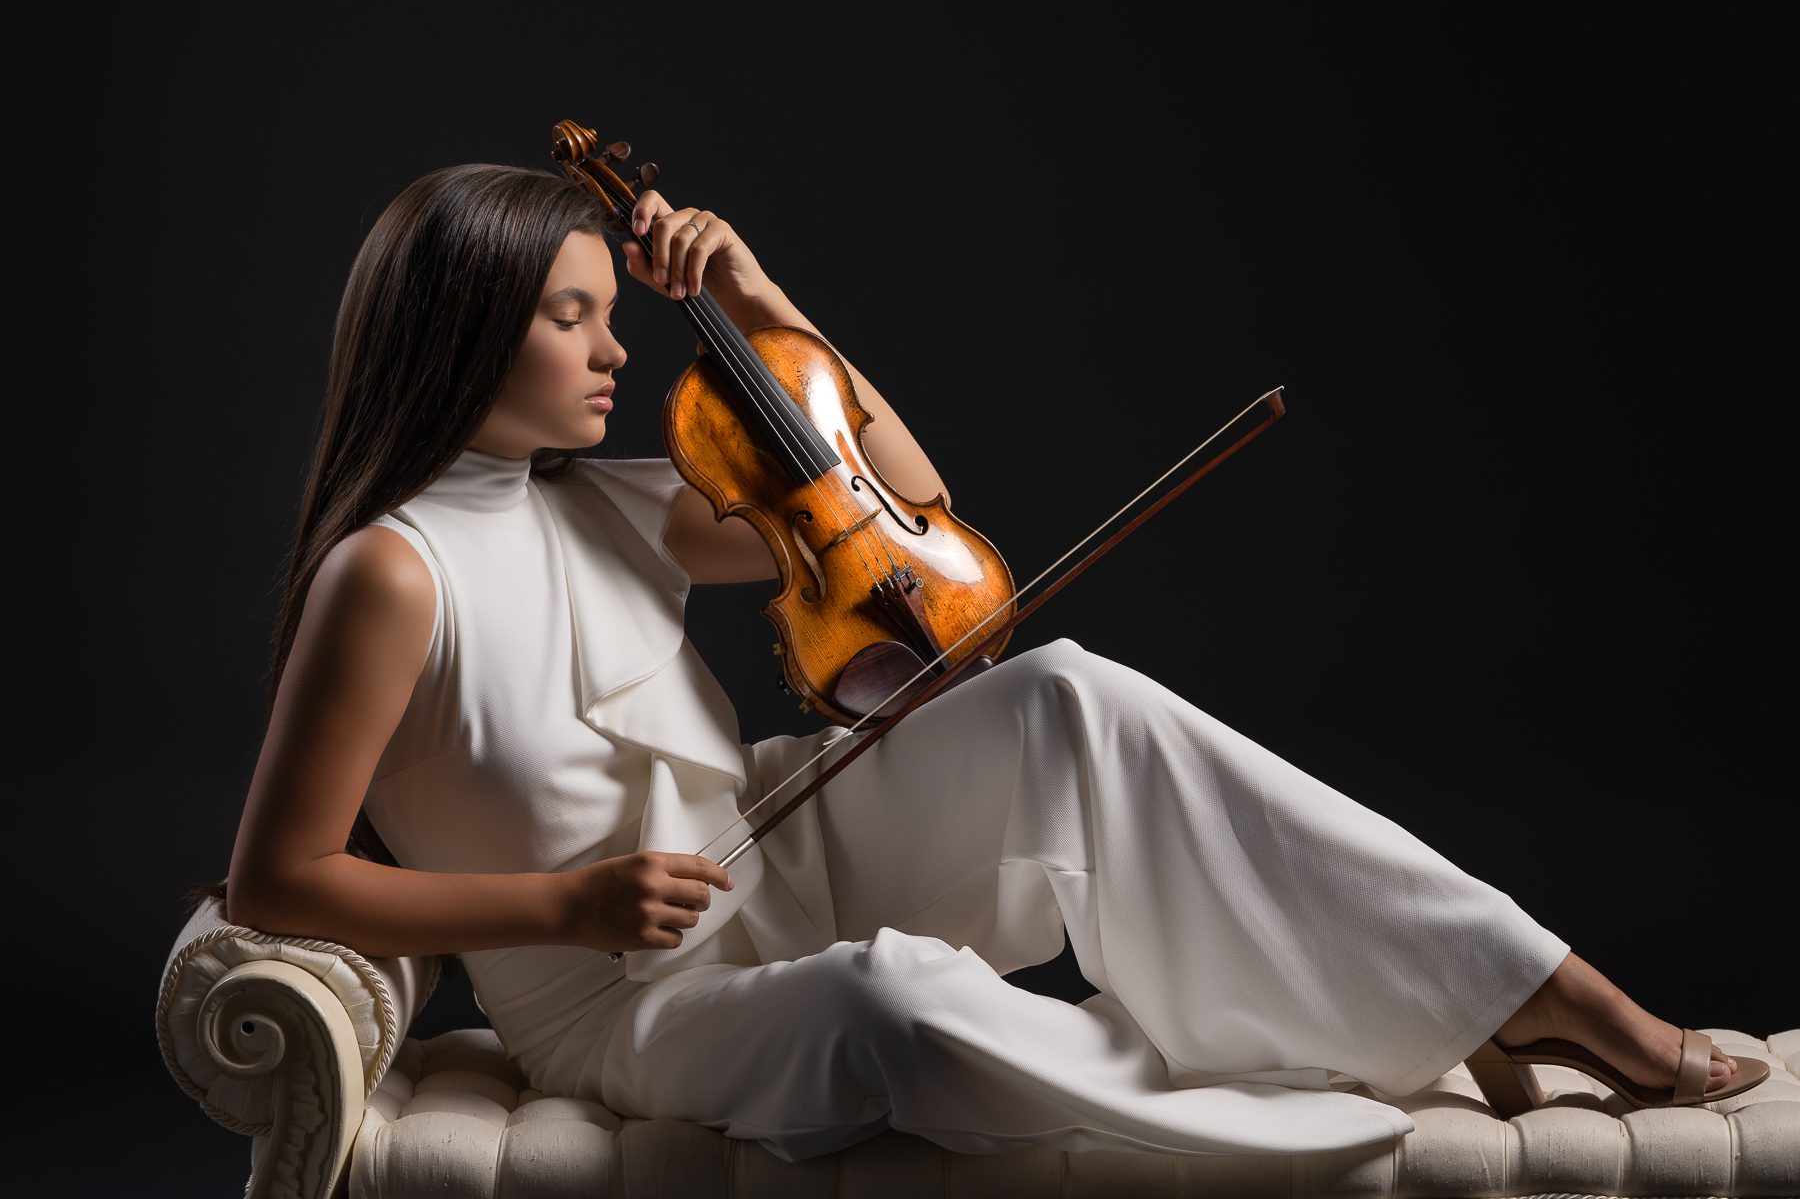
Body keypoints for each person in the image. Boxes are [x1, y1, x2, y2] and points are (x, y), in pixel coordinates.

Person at [202, 162, 1765, 1163]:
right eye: (573, 319)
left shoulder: (613, 505)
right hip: (630, 995)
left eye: (615, 317)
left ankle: (1530, 989)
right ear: (470, 328)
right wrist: (564, 906)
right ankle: (1326, 1092)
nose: (617, 353)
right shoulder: (389, 577)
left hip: (777, 837)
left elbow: (902, 494)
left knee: (1068, 697)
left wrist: (754, 296)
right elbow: (277, 881)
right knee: (889, 1007)